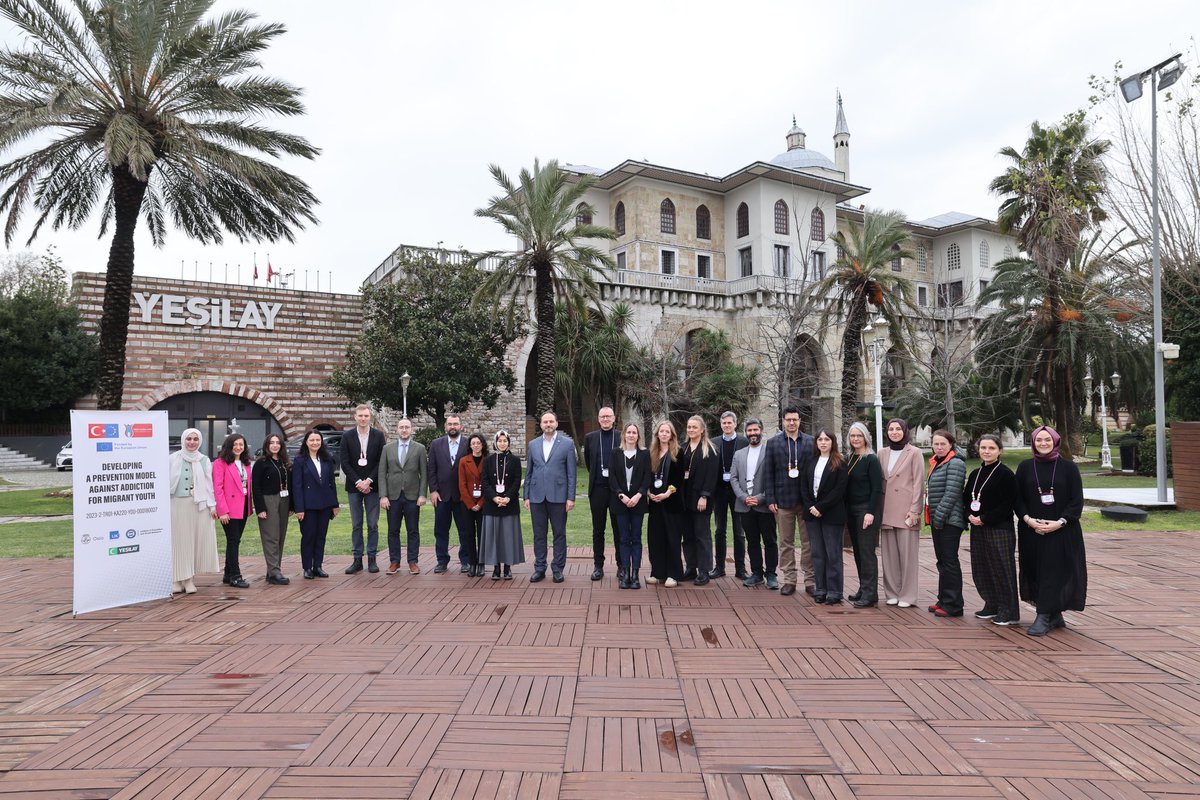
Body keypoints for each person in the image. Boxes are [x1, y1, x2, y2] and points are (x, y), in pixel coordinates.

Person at [1015, 425, 1086, 637]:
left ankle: (1044, 615)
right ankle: (1054, 615)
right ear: (1033, 442)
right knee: (1036, 570)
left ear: (1055, 441)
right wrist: (1028, 520)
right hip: (1032, 530)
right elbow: (1017, 499)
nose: (1043, 444)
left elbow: (1077, 501)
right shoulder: (1025, 467)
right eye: (1038, 440)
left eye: (1047, 440)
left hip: (1062, 530)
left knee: (1055, 571)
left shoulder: (1069, 468)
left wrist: (1060, 522)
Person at [964, 434, 1019, 626]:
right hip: (977, 528)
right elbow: (967, 498)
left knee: (1002, 569)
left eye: (991, 448)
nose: (986, 452)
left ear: (999, 451)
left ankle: (1009, 611)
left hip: (999, 528)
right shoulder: (975, 474)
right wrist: (969, 515)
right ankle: (992, 603)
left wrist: (984, 518)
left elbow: (1008, 503)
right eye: (983, 448)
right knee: (982, 567)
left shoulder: (1005, 474)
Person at [763, 406, 816, 597]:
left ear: (800, 420)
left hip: (806, 501)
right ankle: (789, 580)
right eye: (788, 420)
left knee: (808, 542)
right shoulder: (773, 443)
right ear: (783, 421)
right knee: (785, 542)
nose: (791, 423)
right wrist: (770, 498)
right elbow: (768, 473)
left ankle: (810, 580)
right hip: (782, 500)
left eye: (795, 419)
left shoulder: (811, 442)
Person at [524, 411, 576, 583]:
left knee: (559, 534)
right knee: (539, 534)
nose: (548, 424)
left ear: (556, 423)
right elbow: (529, 472)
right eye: (545, 421)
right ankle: (539, 568)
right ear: (541, 424)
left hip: (559, 497)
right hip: (537, 496)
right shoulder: (533, 444)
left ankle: (558, 569)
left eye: (551, 421)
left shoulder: (567, 444)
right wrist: (526, 496)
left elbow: (571, 474)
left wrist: (570, 497)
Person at [878, 419, 923, 608]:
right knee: (889, 556)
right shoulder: (882, 453)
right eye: (891, 429)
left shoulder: (914, 452)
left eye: (898, 429)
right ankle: (892, 592)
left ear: (905, 431)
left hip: (906, 512)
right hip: (886, 509)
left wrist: (915, 510)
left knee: (908, 557)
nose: (894, 432)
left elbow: (918, 483)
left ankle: (908, 595)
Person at [801, 428, 849, 604]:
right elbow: (804, 487)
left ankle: (835, 591)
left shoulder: (840, 462)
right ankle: (820, 589)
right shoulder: (810, 461)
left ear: (832, 442)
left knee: (833, 554)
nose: (823, 442)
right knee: (817, 554)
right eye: (820, 439)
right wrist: (811, 507)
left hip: (831, 514)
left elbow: (839, 490)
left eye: (826, 440)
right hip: (812, 515)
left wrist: (821, 507)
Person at [168, 428, 220, 594]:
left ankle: (189, 579)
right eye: (188, 439)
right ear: (183, 440)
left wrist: (212, 506)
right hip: (177, 504)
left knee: (193, 543)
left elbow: (209, 485)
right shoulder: (172, 459)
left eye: (195, 439)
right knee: (179, 542)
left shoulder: (204, 460)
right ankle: (176, 579)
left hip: (198, 506)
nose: (191, 442)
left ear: (200, 442)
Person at [730, 418, 778, 589]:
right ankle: (756, 573)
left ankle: (771, 574)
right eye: (749, 431)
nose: (752, 434)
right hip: (745, 505)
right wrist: (743, 497)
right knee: (752, 541)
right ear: (746, 433)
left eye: (755, 430)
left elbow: (774, 479)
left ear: (761, 431)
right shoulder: (739, 454)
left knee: (770, 540)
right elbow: (733, 478)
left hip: (764, 505)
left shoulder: (770, 452)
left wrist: (761, 498)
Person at [378, 418, 428, 576]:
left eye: (407, 427)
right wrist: (383, 496)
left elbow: (424, 474)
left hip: (413, 496)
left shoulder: (419, 449)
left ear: (411, 429)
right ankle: (394, 561)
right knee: (393, 530)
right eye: (401, 427)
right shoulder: (388, 448)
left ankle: (413, 562)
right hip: (392, 496)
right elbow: (381, 473)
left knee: (413, 530)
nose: (404, 430)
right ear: (397, 429)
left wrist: (422, 494)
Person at [926, 429, 967, 618]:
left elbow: (951, 493)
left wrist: (939, 518)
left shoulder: (955, 463)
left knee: (949, 561)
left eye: (943, 443)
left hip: (950, 521)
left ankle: (954, 605)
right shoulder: (937, 462)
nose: (939, 447)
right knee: (942, 561)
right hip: (939, 519)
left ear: (951, 445)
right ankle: (943, 599)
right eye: (936, 444)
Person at [341, 404, 386, 574]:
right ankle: (357, 559)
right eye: (360, 416)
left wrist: (368, 480)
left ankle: (372, 559)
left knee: (373, 524)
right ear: (355, 417)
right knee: (356, 524)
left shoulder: (378, 436)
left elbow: (381, 461)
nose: (363, 419)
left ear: (370, 417)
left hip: (373, 487)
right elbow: (344, 462)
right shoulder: (347, 436)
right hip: (354, 488)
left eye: (366, 416)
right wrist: (359, 482)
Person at [293, 429, 341, 579]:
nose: (315, 443)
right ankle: (307, 567)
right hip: (308, 506)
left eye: (318, 440)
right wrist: (299, 508)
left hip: (325, 505)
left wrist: (335, 504)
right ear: (306, 442)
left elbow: (331, 483)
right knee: (308, 536)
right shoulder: (300, 460)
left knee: (321, 536)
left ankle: (318, 566)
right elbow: (297, 486)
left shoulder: (326, 459)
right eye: (312, 440)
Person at [844, 422, 882, 608]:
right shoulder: (850, 457)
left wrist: (870, 512)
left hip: (865, 510)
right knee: (858, 551)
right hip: (851, 510)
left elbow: (877, 489)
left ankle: (870, 593)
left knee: (867, 552)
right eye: (853, 436)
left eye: (859, 436)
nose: (856, 439)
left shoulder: (871, 459)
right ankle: (863, 588)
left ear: (866, 437)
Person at [609, 422, 651, 589]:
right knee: (624, 538)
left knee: (636, 538)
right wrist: (622, 495)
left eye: (634, 432)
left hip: (638, 502)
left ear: (638, 436)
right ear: (624, 435)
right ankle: (625, 573)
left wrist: (638, 495)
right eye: (629, 432)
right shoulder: (615, 453)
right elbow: (612, 477)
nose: (631, 435)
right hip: (620, 503)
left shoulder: (644, 454)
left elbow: (647, 477)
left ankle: (635, 575)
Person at [680, 415, 719, 586]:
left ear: (702, 429)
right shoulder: (682, 448)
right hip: (684, 497)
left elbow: (712, 477)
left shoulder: (710, 449)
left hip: (700, 498)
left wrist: (704, 496)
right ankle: (691, 567)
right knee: (687, 535)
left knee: (702, 535)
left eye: (695, 427)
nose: (691, 430)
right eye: (689, 427)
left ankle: (704, 570)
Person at [646, 420, 685, 587]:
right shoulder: (652, 453)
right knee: (655, 538)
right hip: (655, 503)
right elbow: (647, 476)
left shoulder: (678, 452)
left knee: (672, 538)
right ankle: (657, 573)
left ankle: (673, 574)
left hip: (672, 503)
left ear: (672, 435)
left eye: (667, 432)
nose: (664, 434)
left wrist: (667, 493)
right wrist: (648, 492)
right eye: (661, 431)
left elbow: (679, 478)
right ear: (657, 434)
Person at [428, 414, 469, 574]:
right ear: (445, 427)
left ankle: (465, 561)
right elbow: (431, 469)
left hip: (462, 497)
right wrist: (433, 490)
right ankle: (442, 561)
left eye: (456, 424)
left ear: (461, 426)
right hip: (442, 496)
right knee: (440, 530)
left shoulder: (468, 444)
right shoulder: (436, 444)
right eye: (450, 424)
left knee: (465, 530)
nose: (453, 427)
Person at [481, 430, 523, 580]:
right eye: (500, 441)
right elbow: (484, 481)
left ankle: (507, 567)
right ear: (495, 442)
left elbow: (517, 481)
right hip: (492, 505)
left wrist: (507, 498)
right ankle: (496, 567)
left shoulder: (515, 460)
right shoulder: (488, 460)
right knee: (494, 537)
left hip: (509, 505)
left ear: (509, 442)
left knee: (507, 537)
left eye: (505, 441)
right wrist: (494, 498)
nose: (502, 443)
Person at [212, 433, 253, 589]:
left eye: (241, 445)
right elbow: (218, 488)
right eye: (235, 444)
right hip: (228, 509)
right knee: (233, 540)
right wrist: (222, 510)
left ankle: (228, 574)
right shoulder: (220, 463)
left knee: (234, 540)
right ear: (229, 446)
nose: (238, 447)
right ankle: (236, 576)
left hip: (243, 507)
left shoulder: (246, 463)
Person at [712, 411, 749, 579]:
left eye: (730, 423)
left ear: (735, 424)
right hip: (719, 491)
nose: (727, 425)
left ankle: (740, 569)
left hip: (738, 492)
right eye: (724, 423)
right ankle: (719, 567)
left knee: (739, 531)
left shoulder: (743, 442)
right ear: (721, 425)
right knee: (720, 530)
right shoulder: (714, 443)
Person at [584, 406, 620, 581]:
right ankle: (598, 566)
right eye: (602, 417)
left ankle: (621, 566)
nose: (605, 419)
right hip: (597, 490)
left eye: (608, 416)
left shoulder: (621, 437)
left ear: (614, 418)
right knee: (598, 530)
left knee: (618, 529)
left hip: (616, 492)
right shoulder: (590, 438)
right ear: (598, 419)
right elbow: (589, 463)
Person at [252, 433, 292, 585]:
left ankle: (273, 570)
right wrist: (260, 508)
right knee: (271, 536)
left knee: (281, 536)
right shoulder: (261, 463)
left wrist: (291, 506)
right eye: (272, 442)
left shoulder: (284, 462)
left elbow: (290, 484)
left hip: (284, 500)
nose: (275, 445)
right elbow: (255, 487)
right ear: (267, 445)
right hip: (268, 500)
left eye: (277, 442)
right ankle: (275, 572)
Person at [457, 433, 489, 577]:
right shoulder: (464, 461)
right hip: (467, 504)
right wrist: (471, 504)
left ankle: (481, 563)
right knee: (469, 534)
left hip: (484, 503)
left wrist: (480, 502)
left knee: (482, 534)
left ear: (482, 444)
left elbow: (490, 484)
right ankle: (472, 563)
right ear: (469, 446)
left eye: (478, 443)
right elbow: (462, 484)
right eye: (473, 443)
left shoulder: (488, 460)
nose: (476, 446)